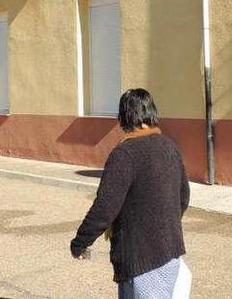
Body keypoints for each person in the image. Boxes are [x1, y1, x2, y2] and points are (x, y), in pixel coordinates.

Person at [71, 89, 191, 299]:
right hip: (170, 253)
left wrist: (81, 242)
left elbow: (105, 207)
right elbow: (183, 197)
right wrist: (164, 226)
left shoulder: (125, 154)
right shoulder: (169, 146)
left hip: (141, 260)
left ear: (123, 118)